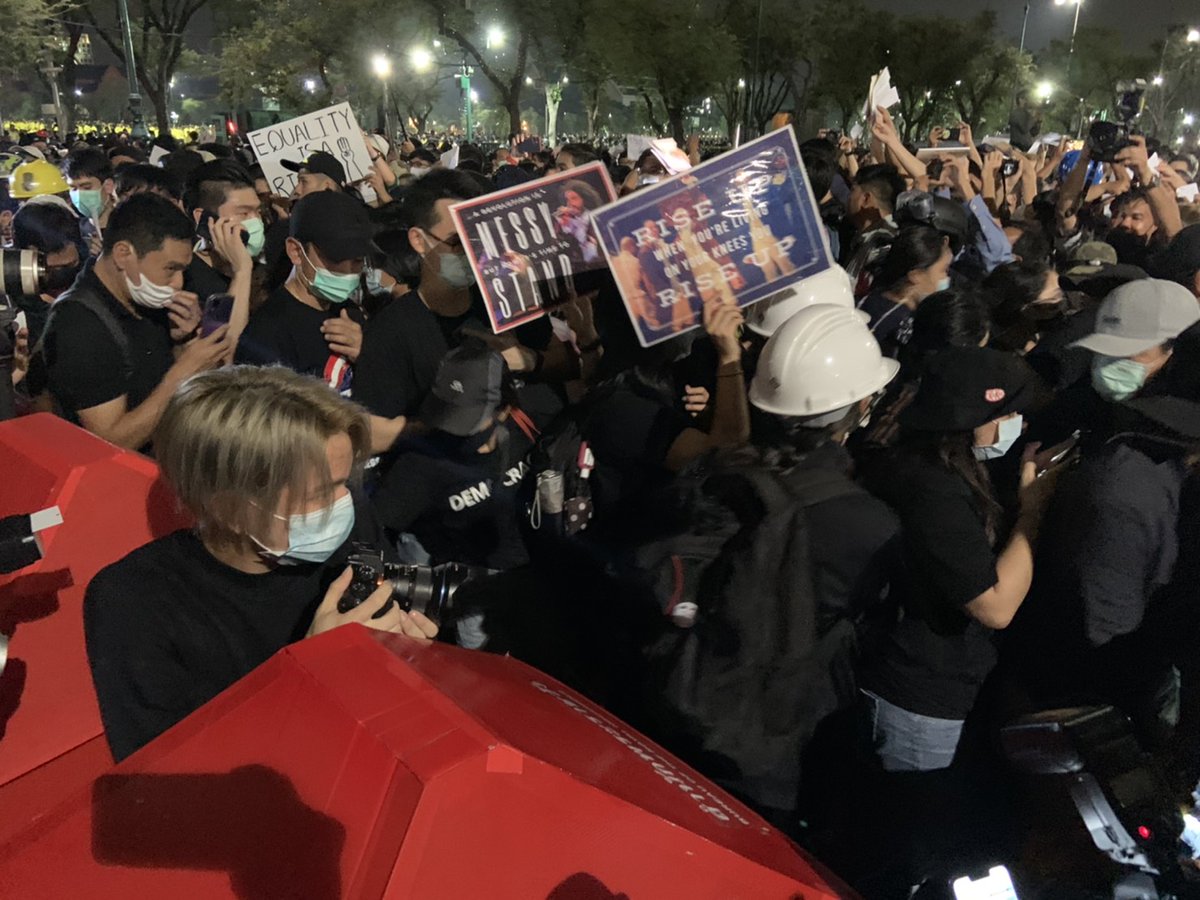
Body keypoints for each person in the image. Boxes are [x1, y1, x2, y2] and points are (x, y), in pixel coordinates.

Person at [83, 366, 438, 760]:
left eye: (344, 483)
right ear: (232, 511)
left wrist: (405, 649)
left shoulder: (351, 524)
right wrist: (309, 675)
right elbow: (166, 777)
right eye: (321, 493)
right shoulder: (133, 603)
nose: (344, 503)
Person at [858, 346, 1056, 771]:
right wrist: (1033, 511)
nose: (1014, 426)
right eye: (1005, 415)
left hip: (919, 683)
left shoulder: (933, 466)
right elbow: (995, 606)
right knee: (905, 818)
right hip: (917, 694)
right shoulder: (932, 488)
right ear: (969, 421)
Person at [38, 192, 230, 450]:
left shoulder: (145, 299)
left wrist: (182, 341)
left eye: (183, 270)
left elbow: (151, 381)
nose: (178, 283)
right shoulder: (78, 325)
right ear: (122, 254)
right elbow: (111, 441)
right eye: (170, 269)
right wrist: (185, 372)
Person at [236, 191, 368, 396]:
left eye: (358, 260)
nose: (348, 272)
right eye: (336, 259)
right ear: (296, 251)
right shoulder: (266, 335)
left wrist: (366, 354)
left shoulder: (350, 312)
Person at [181, 160, 259, 329]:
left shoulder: (262, 272)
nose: (255, 221)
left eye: (257, 211)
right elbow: (225, 345)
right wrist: (242, 271)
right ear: (204, 218)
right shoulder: (186, 280)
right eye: (243, 213)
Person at [856, 225, 952, 358]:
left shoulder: (873, 297)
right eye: (944, 271)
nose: (946, 279)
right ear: (916, 275)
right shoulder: (895, 326)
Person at [10, 199, 84, 341]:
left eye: (70, 265)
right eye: (54, 269)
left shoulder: (90, 276)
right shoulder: (11, 297)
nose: (63, 275)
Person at [63, 146, 116, 233]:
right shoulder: (71, 233)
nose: (79, 195)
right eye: (74, 188)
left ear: (108, 185)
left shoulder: (132, 227)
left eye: (87, 188)